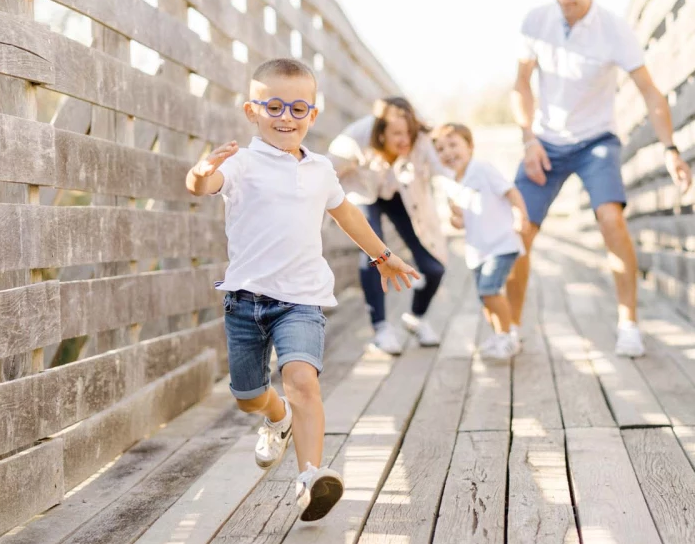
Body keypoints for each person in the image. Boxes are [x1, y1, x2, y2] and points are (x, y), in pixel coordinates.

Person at [187, 57, 417, 518]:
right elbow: (204, 184)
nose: (285, 117)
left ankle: (311, 476)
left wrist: (382, 255)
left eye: (297, 109)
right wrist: (199, 171)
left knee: (301, 380)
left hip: (302, 299)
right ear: (252, 111)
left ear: (312, 116)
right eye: (273, 106)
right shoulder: (243, 163)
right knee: (248, 394)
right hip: (245, 300)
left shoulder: (321, 169)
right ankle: (277, 418)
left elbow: (347, 213)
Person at [507, 0, 692, 357]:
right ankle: (511, 329)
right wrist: (528, 139)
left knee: (611, 218)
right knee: (519, 230)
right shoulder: (535, 22)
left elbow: (649, 91)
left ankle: (629, 324)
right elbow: (521, 84)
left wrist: (670, 149)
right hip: (545, 142)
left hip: (596, 141)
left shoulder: (614, 30)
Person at [329, 96, 452, 355]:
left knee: (434, 266)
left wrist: (457, 201)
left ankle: (416, 317)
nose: (405, 140)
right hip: (363, 193)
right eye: (397, 133)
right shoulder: (356, 137)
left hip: (400, 193)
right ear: (381, 131)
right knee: (374, 253)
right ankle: (381, 328)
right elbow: (325, 173)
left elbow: (443, 172)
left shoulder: (420, 139)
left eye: (409, 132)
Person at [433, 122, 527, 361]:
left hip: (501, 243)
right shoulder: (453, 183)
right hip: (478, 251)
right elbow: (461, 222)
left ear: (470, 147)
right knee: (485, 298)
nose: (448, 153)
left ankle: (509, 336)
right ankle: (499, 335)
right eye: (441, 149)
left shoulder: (482, 169)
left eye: (453, 145)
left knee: (490, 290)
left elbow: (511, 191)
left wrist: (520, 215)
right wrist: (454, 216)